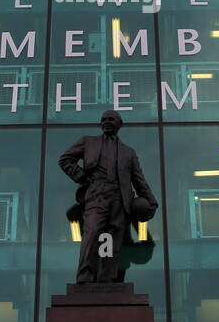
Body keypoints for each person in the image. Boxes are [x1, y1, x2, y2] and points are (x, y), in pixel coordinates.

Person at [58, 110, 158, 283]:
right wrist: (82, 176)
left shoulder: (129, 152)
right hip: (96, 195)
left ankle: (107, 278)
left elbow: (139, 180)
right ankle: (85, 277)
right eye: (103, 120)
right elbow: (65, 159)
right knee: (92, 233)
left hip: (119, 198)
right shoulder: (88, 142)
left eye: (111, 119)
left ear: (119, 124)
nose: (106, 122)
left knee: (113, 239)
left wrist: (151, 201)